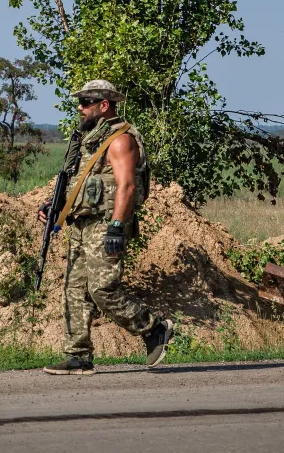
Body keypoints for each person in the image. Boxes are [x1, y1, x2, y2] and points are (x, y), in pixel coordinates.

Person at [38, 80, 174, 375]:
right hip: (81, 221)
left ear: (104, 105)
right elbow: (79, 182)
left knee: (101, 288)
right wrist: (55, 206)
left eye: (86, 102)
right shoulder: (88, 141)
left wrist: (116, 227)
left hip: (105, 223)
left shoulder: (120, 140)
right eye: (80, 102)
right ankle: (77, 356)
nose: (79, 108)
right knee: (74, 290)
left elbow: (126, 185)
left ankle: (153, 327)